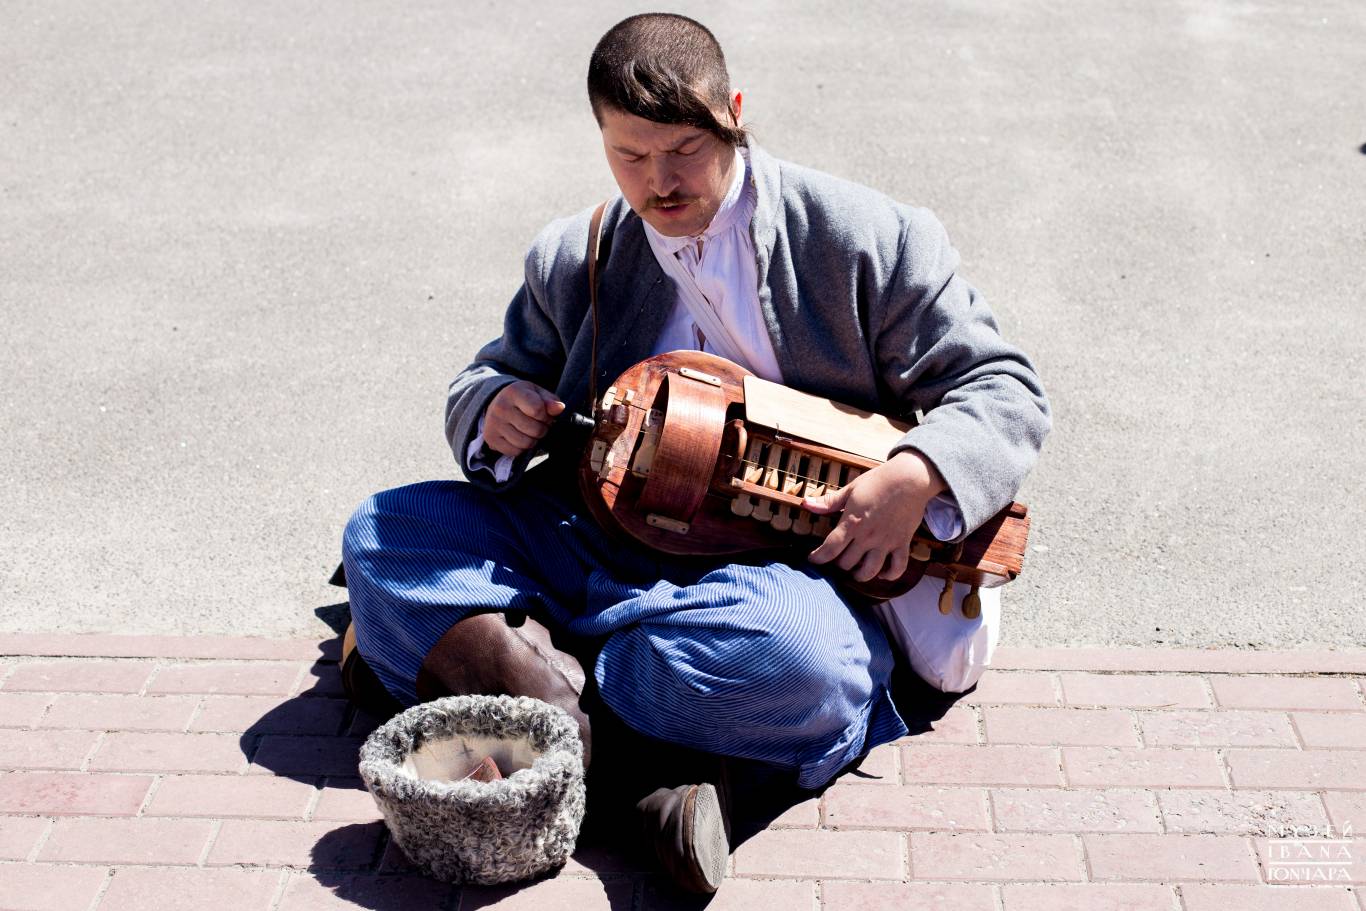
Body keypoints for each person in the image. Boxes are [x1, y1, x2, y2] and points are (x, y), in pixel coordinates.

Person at [341, 12, 1049, 894]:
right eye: (629, 155)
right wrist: (495, 406)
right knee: (386, 529)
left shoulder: (866, 236)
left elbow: (1004, 387)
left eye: (681, 149)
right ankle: (633, 768)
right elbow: (487, 373)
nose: (659, 181)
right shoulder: (579, 253)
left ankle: (521, 692)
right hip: (592, 534)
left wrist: (916, 475)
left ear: (734, 113)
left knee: (805, 666)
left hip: (767, 571)